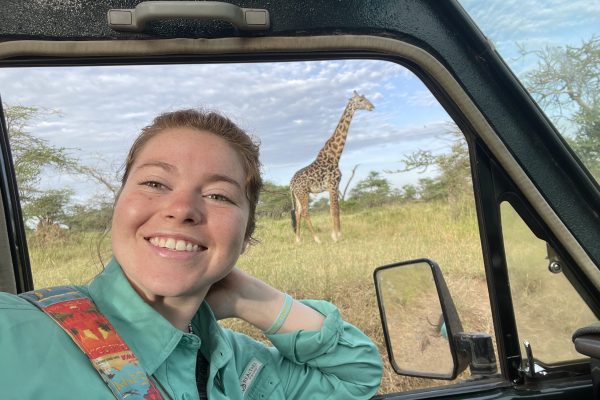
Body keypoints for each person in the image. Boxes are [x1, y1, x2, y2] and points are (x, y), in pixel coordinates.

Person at [0, 109, 383, 399]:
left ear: (246, 234)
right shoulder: (12, 330)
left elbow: (356, 376)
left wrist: (252, 299)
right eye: (154, 183)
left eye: (218, 195)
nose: (182, 208)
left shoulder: (236, 362)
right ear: (120, 205)